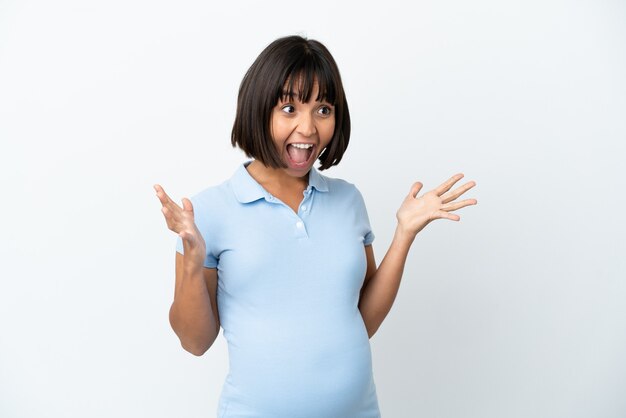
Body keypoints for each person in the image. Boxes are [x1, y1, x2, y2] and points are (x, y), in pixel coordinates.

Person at [154, 35, 477, 418]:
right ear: (259, 109)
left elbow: (362, 320)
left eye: (323, 109)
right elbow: (194, 341)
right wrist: (192, 262)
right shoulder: (210, 210)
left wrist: (404, 234)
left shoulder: (348, 201)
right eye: (289, 108)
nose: (308, 129)